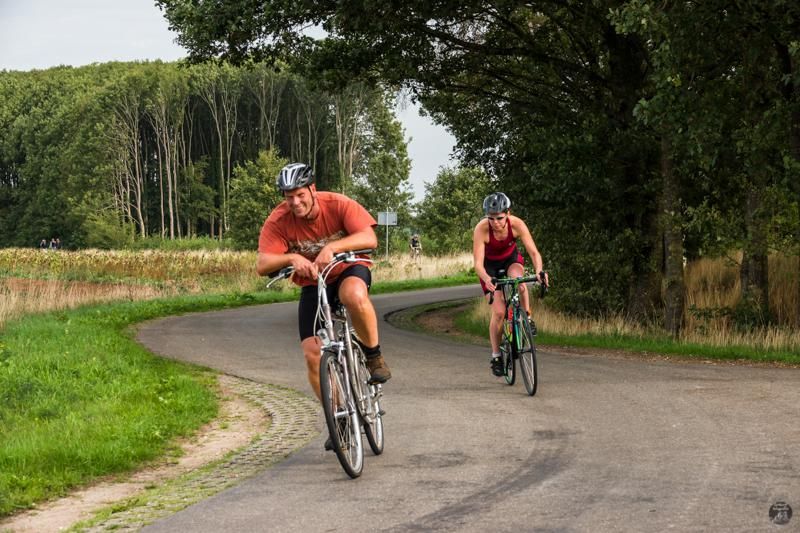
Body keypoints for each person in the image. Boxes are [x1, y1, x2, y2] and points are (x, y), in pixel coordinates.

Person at [256, 163, 392, 447]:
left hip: (348, 269)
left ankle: (373, 355)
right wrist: (292, 259)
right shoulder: (279, 220)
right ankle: (339, 417)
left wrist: (331, 248)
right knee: (312, 353)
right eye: (288, 196)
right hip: (313, 284)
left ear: (312, 190)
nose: (294, 202)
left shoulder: (338, 204)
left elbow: (369, 238)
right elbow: (263, 264)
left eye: (299, 194)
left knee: (353, 296)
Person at [472, 192, 549, 377]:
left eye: (499, 218)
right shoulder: (481, 229)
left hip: (510, 260)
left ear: (508, 213)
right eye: (491, 218)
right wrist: (487, 278)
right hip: (489, 268)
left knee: (520, 284)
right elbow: (477, 264)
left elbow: (534, 253)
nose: (495, 223)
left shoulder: (517, 224)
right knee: (498, 312)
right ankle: (496, 355)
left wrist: (539, 271)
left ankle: (527, 318)